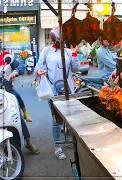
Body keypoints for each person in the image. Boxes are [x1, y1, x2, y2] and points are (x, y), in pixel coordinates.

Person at [35, 26, 78, 160]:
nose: (61, 40)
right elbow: (38, 66)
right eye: (59, 38)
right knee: (56, 120)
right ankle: (58, 146)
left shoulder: (68, 52)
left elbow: (75, 69)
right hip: (53, 90)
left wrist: (75, 53)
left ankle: (70, 138)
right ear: (54, 39)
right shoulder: (46, 51)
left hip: (69, 89)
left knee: (70, 117)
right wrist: (38, 71)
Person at [0, 54, 39, 155]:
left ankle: (28, 143)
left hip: (7, 91)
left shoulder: (6, 56)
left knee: (17, 116)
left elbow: (21, 66)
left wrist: (15, 71)